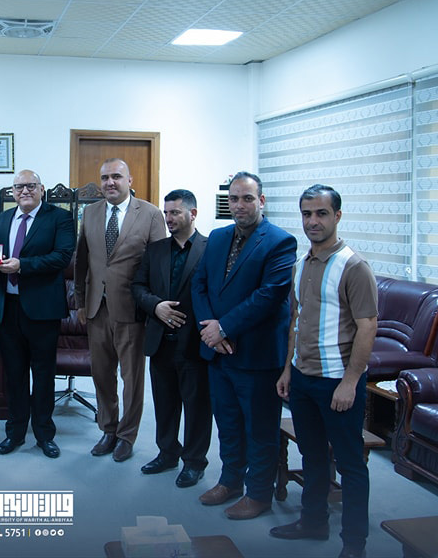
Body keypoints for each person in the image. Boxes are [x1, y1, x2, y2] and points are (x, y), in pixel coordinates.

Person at [272, 185, 377, 558]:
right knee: (312, 456)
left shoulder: (354, 266)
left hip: (338, 383)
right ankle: (313, 522)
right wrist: (288, 369)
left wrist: (351, 382)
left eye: (321, 213)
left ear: (337, 216)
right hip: (302, 379)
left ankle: (354, 544)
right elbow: (296, 321)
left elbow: (367, 326)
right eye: (306, 214)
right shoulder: (301, 264)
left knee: (349, 465)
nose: (312, 221)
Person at [191, 171, 297, 520]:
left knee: (260, 429)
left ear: (261, 201)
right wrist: (210, 328)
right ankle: (230, 482)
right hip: (218, 353)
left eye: (247, 198)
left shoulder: (280, 242)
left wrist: (223, 327)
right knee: (228, 423)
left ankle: (259, 494)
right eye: (234, 199)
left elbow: (268, 296)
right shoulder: (218, 237)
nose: (240, 205)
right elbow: (200, 284)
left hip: (256, 354)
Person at [75, 158, 167, 462]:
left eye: (116, 176)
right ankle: (108, 429)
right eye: (104, 178)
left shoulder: (150, 214)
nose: (109, 182)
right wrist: (79, 301)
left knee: (132, 378)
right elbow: (82, 261)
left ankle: (127, 435)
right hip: (96, 308)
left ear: (129, 180)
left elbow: (160, 266)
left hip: (132, 310)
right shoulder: (90, 212)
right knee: (101, 374)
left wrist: (153, 308)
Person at [0, 170, 74, 459]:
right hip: (8, 309)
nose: (25, 191)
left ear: (41, 189)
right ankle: (14, 433)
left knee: (43, 375)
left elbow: (62, 257)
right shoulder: (1, 219)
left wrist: (22, 265)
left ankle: (44, 435)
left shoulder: (59, 217)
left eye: (30, 186)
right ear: (12, 191)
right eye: (19, 187)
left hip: (42, 310)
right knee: (14, 375)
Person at [131, 189, 211, 488]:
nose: (168, 218)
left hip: (195, 341)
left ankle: (194, 461)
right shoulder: (155, 250)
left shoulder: (210, 248)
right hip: (160, 339)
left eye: (175, 212)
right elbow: (137, 286)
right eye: (166, 213)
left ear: (193, 214)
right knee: (164, 403)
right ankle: (167, 453)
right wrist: (156, 306)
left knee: (197, 406)